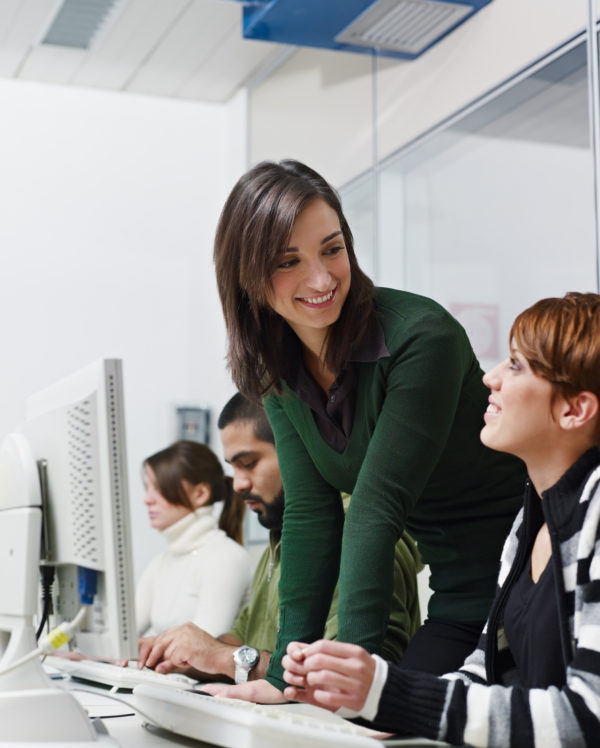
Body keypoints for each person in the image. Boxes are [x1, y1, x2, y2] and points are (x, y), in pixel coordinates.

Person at [213, 159, 526, 698]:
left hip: (525, 591)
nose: (321, 278)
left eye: (332, 250)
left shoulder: (421, 337)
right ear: (248, 280)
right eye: (290, 261)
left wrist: (351, 687)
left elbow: (375, 511)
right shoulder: (276, 370)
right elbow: (311, 515)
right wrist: (284, 680)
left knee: (395, 722)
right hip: (457, 598)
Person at [282, 292, 600, 748]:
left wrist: (396, 697)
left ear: (575, 410)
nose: (490, 377)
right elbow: (487, 669)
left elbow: (589, 718)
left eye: (514, 366)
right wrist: (370, 703)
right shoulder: (528, 522)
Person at [137, 393, 423, 691]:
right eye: (233, 467)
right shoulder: (278, 537)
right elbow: (240, 636)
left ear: (298, 448)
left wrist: (224, 658)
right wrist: (186, 656)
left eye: (248, 463)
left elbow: (347, 679)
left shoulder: (360, 530)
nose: (237, 484)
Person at [136, 439, 251, 638]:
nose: (147, 499)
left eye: (159, 487)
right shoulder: (161, 563)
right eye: (147, 488)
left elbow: (200, 652)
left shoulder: (225, 558)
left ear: (200, 494)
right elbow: (122, 638)